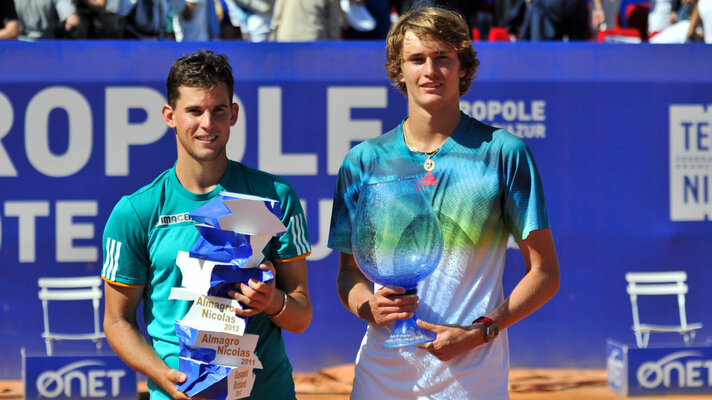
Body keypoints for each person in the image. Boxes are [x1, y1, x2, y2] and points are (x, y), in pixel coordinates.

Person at [328, 6, 559, 399]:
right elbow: (349, 274)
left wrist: (480, 330)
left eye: (443, 58)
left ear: (463, 68)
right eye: (417, 59)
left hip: (471, 379)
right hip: (381, 376)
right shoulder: (363, 161)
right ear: (398, 70)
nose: (430, 70)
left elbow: (545, 273)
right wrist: (369, 307)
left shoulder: (504, 153)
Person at [102, 50, 312, 400]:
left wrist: (272, 302)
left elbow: (301, 315)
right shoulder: (136, 212)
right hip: (180, 393)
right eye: (194, 111)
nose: (207, 124)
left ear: (234, 114)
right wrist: (163, 377)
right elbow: (116, 321)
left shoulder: (275, 195)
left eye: (218, 110)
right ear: (170, 116)